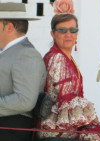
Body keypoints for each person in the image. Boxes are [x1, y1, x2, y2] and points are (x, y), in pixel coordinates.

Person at [38, 0, 100, 140]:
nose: (68, 34)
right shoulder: (57, 59)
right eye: (62, 30)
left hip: (65, 127)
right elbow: (67, 100)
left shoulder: (65, 57)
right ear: (52, 33)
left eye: (73, 30)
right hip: (58, 129)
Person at [0, 3, 46, 141]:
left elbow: (25, 100)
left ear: (9, 28)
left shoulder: (27, 53)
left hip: (10, 130)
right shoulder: (8, 52)